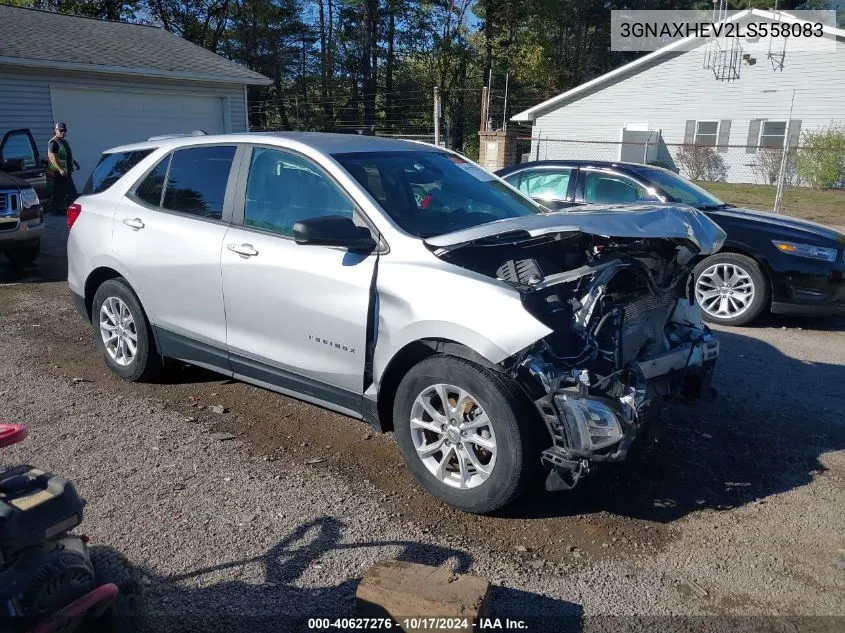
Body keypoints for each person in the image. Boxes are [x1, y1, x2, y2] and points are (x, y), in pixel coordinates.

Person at [46, 122, 80, 215]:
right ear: (56, 131)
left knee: (60, 193)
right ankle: (76, 210)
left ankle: (56, 210)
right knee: (72, 192)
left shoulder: (64, 142)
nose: (62, 133)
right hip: (58, 173)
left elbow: (66, 155)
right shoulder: (54, 143)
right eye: (60, 131)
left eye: (64, 131)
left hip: (65, 172)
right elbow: (52, 158)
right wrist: (60, 169)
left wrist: (74, 162)